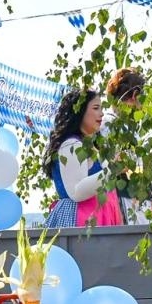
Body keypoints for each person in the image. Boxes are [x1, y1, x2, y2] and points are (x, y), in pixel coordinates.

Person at [43, 89, 122, 228]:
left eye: (101, 108)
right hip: (81, 221)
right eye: (96, 108)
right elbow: (76, 191)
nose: (102, 113)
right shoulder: (71, 145)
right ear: (80, 112)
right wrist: (112, 170)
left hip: (99, 220)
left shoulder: (91, 146)